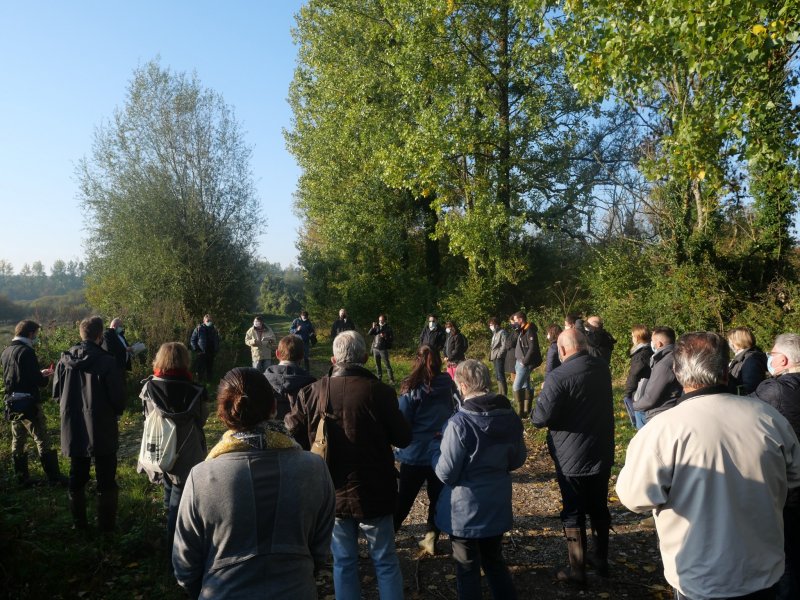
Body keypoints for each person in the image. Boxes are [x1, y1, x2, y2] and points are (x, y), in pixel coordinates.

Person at [617, 332, 800, 600]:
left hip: (699, 576)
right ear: (726, 370)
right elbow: (794, 479)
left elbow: (635, 497)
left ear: (678, 373)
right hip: (763, 572)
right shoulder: (769, 418)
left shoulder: (661, 431)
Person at [173, 367, 335, 599]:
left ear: (222, 414)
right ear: (273, 407)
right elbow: (321, 549)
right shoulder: (314, 468)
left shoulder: (201, 477)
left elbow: (184, 566)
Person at [286, 330, 412, 600]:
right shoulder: (380, 392)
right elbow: (404, 437)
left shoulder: (312, 392)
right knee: (385, 560)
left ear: (333, 360)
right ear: (365, 357)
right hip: (375, 489)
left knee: (343, 562)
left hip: (331, 490)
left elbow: (292, 433)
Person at [433, 359, 526, 600]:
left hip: (465, 511)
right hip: (496, 503)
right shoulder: (510, 417)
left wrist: (435, 455)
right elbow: (518, 459)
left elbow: (446, 473)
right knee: (494, 561)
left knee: (467, 569)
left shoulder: (459, 423)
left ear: (463, 386)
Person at [531, 328, 615, 584]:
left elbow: (540, 418)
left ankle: (576, 569)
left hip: (571, 454)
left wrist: (543, 395)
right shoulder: (601, 368)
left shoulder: (558, 376)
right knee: (599, 504)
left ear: (562, 349)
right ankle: (601, 558)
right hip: (601, 448)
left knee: (573, 509)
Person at [53, 316, 126, 531]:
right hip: (102, 424)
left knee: (77, 474)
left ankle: (79, 525)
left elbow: (57, 394)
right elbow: (117, 398)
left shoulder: (64, 360)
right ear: (100, 335)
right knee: (106, 477)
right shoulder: (107, 361)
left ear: (81, 334)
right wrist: (117, 411)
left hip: (73, 423)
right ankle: (106, 528)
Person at [137, 342, 208, 550]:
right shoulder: (196, 390)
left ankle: (169, 534)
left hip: (159, 446)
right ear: (185, 360)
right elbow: (202, 419)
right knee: (180, 493)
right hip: (186, 448)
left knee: (169, 486)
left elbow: (146, 416)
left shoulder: (149, 387)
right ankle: (175, 547)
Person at [394, 345, 457, 556]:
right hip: (441, 450)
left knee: (404, 498)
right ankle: (431, 537)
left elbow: (402, 420)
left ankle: (389, 534)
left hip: (415, 452)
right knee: (437, 497)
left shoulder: (411, 387)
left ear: (417, 361)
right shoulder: (448, 384)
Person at [751, 333, 800, 599]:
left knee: (787, 552)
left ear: (782, 360)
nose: (768, 359)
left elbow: (745, 408)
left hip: (789, 482)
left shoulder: (776, 390)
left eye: (771, 355)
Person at [1, 320, 65, 486]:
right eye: (36, 334)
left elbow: (16, 376)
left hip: (12, 402)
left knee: (18, 440)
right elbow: (37, 381)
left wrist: (37, 373)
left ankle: (21, 478)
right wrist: (45, 376)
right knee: (41, 438)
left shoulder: (6, 351)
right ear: (30, 333)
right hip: (29, 402)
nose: (36, 337)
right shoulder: (27, 351)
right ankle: (54, 477)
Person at [631, 326, 682, 423]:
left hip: (660, 414)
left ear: (659, 344)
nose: (651, 343)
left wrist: (634, 405)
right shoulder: (677, 356)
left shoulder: (664, 364)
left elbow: (650, 399)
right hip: (671, 410)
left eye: (652, 341)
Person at [265, 335, 316, 420]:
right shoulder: (311, 384)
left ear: (277, 354)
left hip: (269, 427)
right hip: (300, 427)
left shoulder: (262, 381)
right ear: (302, 355)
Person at [511, 311, 542, 418]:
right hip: (519, 361)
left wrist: (524, 362)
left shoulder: (529, 330)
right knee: (526, 385)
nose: (514, 322)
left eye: (515, 320)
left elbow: (532, 348)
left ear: (520, 320)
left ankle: (520, 412)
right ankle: (526, 411)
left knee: (516, 386)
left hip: (524, 363)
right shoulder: (522, 329)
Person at [622, 325, 653, 429]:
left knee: (641, 420)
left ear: (637, 337)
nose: (632, 339)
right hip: (650, 389)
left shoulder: (640, 354)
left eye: (633, 336)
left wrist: (628, 392)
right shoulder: (651, 350)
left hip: (640, 390)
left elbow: (634, 374)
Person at [727, 326, 767, 395]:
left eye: (730, 341)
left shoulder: (751, 360)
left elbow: (750, 388)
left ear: (738, 342)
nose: (730, 344)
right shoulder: (742, 357)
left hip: (743, 400)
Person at [189, 314, 220, 382]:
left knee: (210, 368)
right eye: (208, 320)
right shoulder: (199, 329)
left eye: (210, 320)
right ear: (204, 321)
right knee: (200, 369)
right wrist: (196, 349)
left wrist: (216, 349)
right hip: (202, 352)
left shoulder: (214, 329)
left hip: (211, 352)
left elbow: (217, 340)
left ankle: (209, 383)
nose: (209, 322)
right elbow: (193, 340)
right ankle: (199, 382)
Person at [368, 314, 395, 384]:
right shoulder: (376, 327)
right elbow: (369, 333)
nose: (380, 321)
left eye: (382, 320)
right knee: (377, 365)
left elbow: (391, 339)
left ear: (385, 320)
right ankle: (379, 378)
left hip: (383, 349)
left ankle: (391, 379)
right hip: (375, 348)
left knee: (387, 365)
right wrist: (372, 327)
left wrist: (385, 336)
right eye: (379, 320)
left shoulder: (388, 328)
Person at [488, 317, 509, 396]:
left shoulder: (502, 332)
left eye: (491, 324)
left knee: (500, 374)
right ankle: (500, 393)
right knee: (497, 375)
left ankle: (504, 394)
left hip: (499, 356)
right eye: (490, 325)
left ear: (496, 324)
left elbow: (504, 345)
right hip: (494, 356)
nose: (490, 326)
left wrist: (499, 354)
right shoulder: (495, 333)